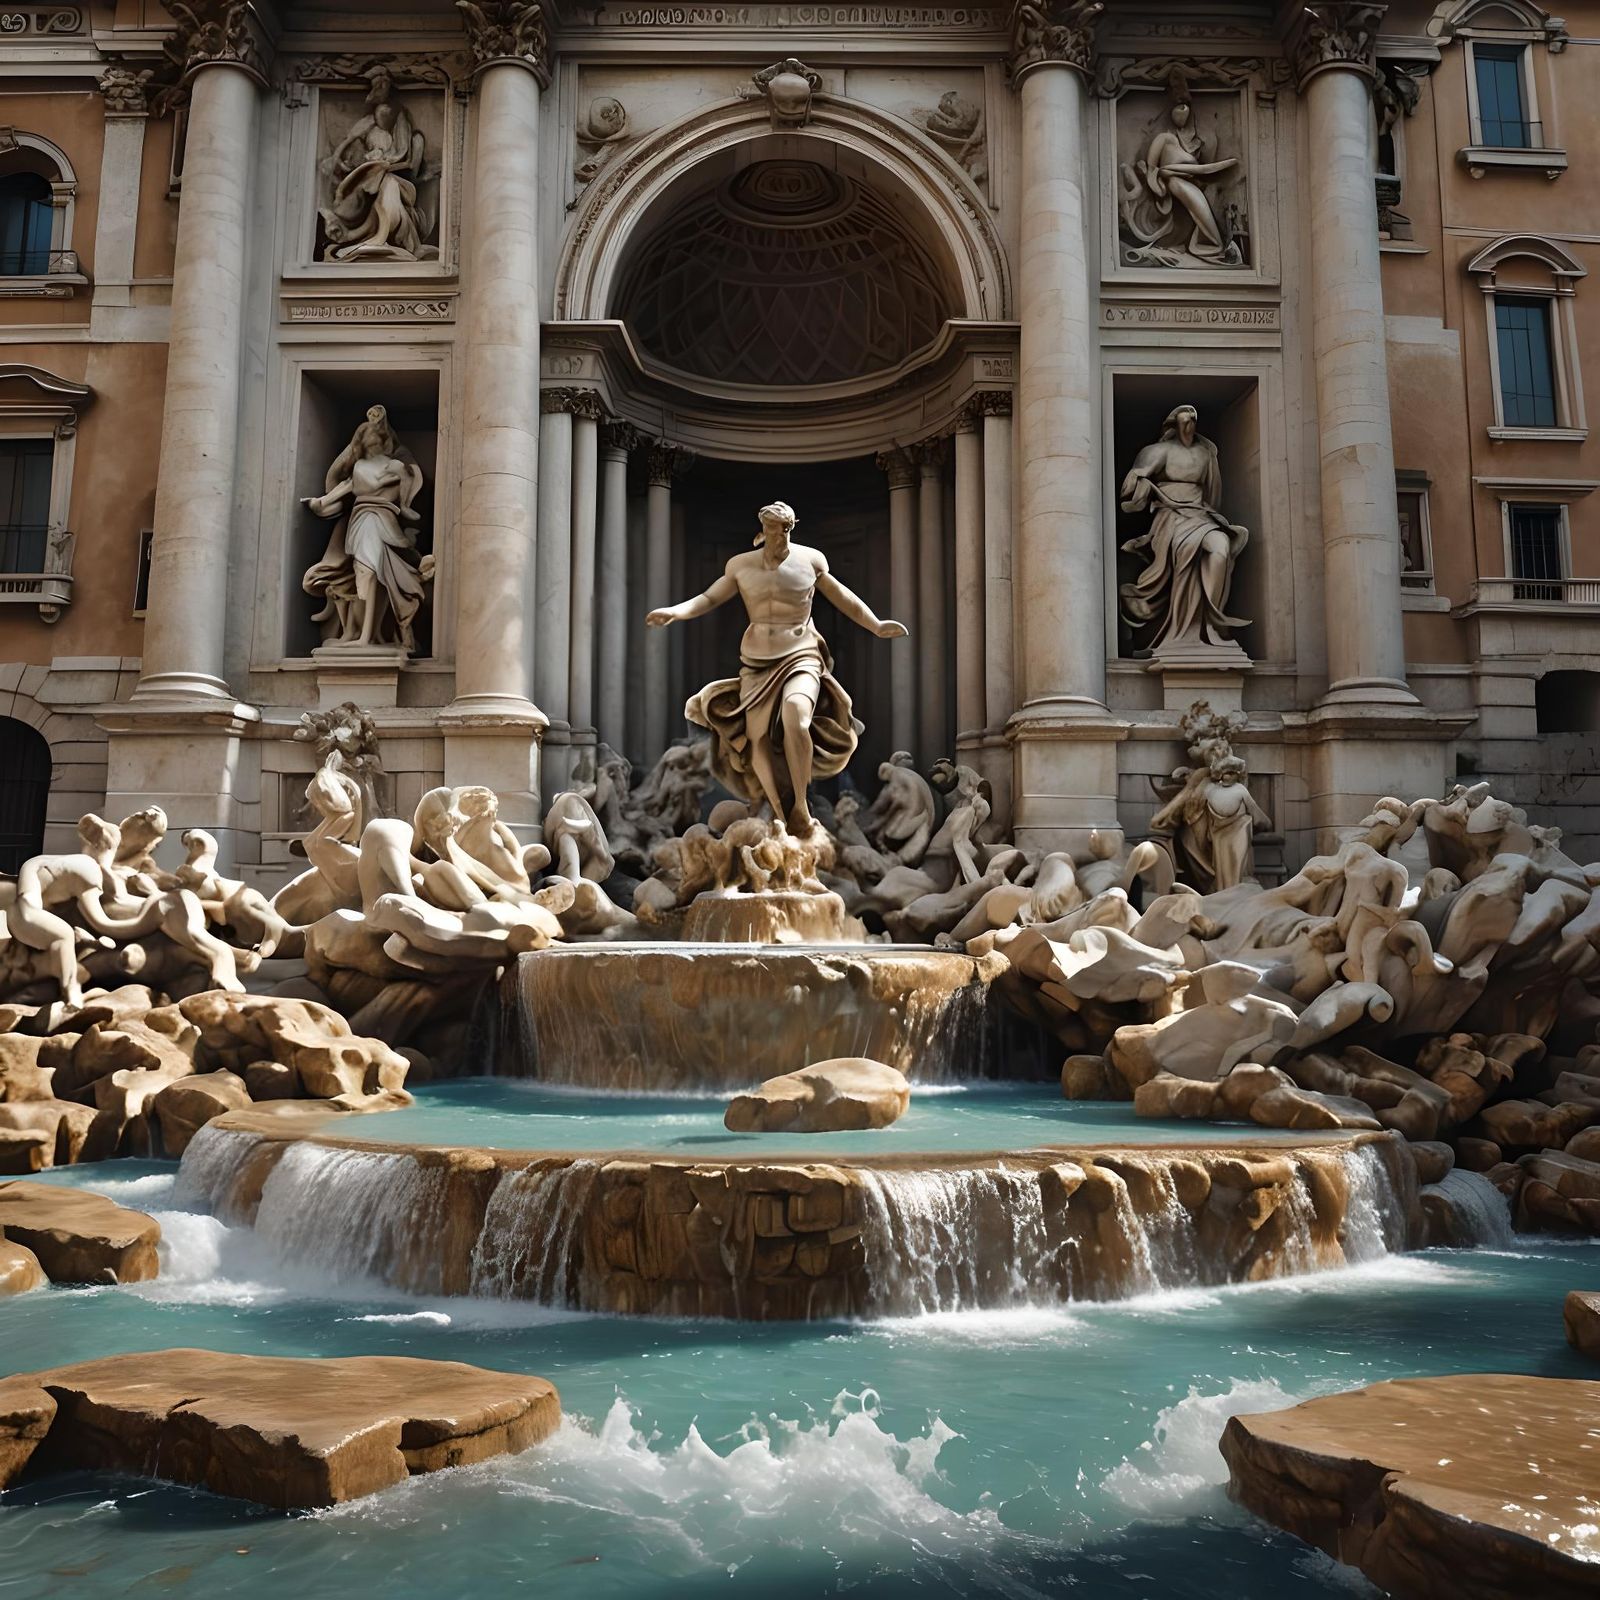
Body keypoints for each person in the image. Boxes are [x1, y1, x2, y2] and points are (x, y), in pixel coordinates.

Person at [647, 501, 907, 836]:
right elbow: (710, 598)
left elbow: (842, 596)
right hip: (757, 662)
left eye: (785, 529)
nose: (780, 535)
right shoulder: (740, 565)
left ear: (792, 527)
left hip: (802, 653)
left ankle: (801, 804)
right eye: (773, 529)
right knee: (756, 740)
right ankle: (780, 812)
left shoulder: (811, 560)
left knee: (796, 714)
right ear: (763, 529)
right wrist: (675, 612)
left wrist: (875, 624)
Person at [1119, 404, 1249, 655]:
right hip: (1169, 518)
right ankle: (1182, 630)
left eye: (1191, 421)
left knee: (1220, 547)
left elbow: (1213, 492)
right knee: (1182, 558)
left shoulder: (1206, 453)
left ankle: (1209, 622)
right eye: (1183, 421)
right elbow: (1131, 487)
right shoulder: (1158, 451)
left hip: (1200, 515)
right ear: (1173, 425)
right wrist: (1140, 479)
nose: (1188, 426)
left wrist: (1206, 510)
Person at [302, 405, 432, 652]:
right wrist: (319, 504)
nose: (373, 435)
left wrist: (401, 501)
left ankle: (368, 636)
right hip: (362, 520)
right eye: (367, 433)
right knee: (364, 572)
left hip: (378, 519)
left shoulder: (393, 463)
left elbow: (406, 481)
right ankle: (362, 634)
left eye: (375, 432)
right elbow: (345, 489)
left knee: (372, 572)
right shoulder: (363, 466)